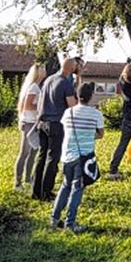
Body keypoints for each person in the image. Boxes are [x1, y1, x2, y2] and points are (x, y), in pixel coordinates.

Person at [51, 81, 104, 233]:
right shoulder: (96, 114)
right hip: (84, 157)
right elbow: (100, 134)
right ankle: (70, 223)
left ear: (77, 95)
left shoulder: (69, 112)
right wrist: (89, 135)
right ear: (91, 96)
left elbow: (66, 129)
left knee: (65, 185)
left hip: (67, 155)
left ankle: (54, 219)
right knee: (77, 189)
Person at [32, 56, 82, 201]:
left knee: (41, 157)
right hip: (56, 124)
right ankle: (46, 192)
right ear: (72, 68)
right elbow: (72, 106)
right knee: (52, 159)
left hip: (43, 122)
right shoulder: (65, 84)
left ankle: (36, 190)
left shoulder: (49, 79)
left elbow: (41, 101)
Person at [14, 63, 47, 190]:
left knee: (33, 151)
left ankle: (28, 178)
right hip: (29, 122)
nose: (45, 71)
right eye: (42, 69)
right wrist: (41, 107)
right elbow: (28, 105)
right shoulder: (33, 87)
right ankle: (18, 182)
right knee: (25, 152)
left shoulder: (36, 86)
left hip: (34, 122)